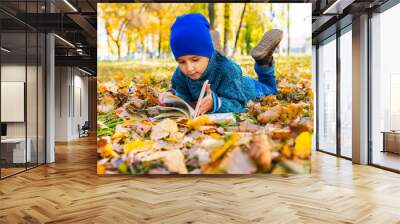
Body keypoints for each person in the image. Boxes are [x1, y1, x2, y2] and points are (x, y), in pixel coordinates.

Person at [158, 13, 283, 116]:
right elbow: (178, 89)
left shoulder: (228, 70)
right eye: (181, 62)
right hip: (217, 69)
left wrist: (215, 103)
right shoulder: (181, 71)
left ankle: (263, 61)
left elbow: (239, 104)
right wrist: (170, 95)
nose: (189, 68)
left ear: (206, 53)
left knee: (271, 89)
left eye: (195, 60)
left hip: (247, 89)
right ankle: (215, 50)